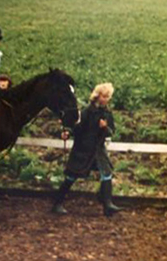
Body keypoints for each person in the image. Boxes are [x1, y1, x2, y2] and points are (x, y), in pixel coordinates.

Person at [52, 83, 122, 217]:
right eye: (104, 96)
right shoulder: (86, 112)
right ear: (97, 96)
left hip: (98, 150)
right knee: (71, 176)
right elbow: (77, 128)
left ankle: (108, 204)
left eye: (108, 97)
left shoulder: (107, 113)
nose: (106, 99)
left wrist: (105, 127)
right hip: (83, 149)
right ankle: (57, 203)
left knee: (106, 174)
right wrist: (68, 133)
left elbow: (111, 131)